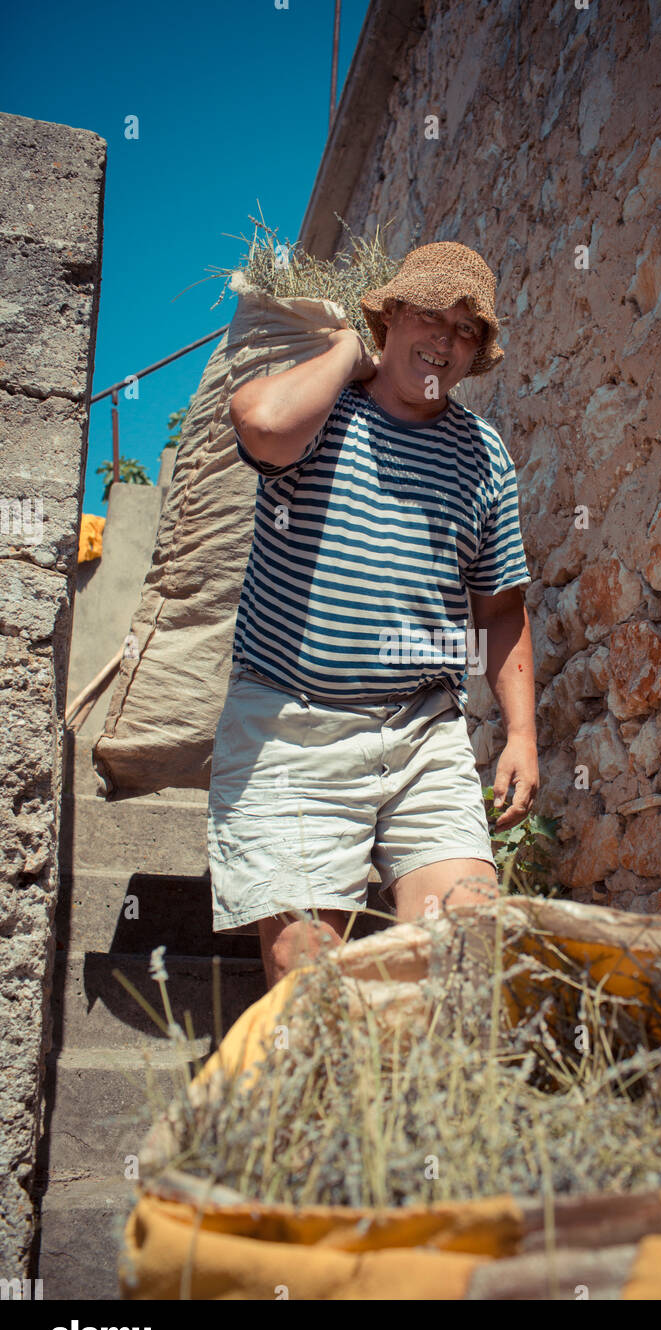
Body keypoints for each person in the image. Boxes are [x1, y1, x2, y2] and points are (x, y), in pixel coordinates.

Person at [207, 240, 538, 990]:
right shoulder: (325, 415)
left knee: (464, 950)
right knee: (308, 972)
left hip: (422, 731)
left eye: (465, 330)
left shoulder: (484, 456)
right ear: (388, 317)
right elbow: (259, 424)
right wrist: (346, 353)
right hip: (292, 731)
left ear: (477, 352)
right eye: (428, 316)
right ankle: (323, 1103)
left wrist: (521, 732)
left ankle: (419, 1104)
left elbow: (502, 605)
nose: (444, 341)